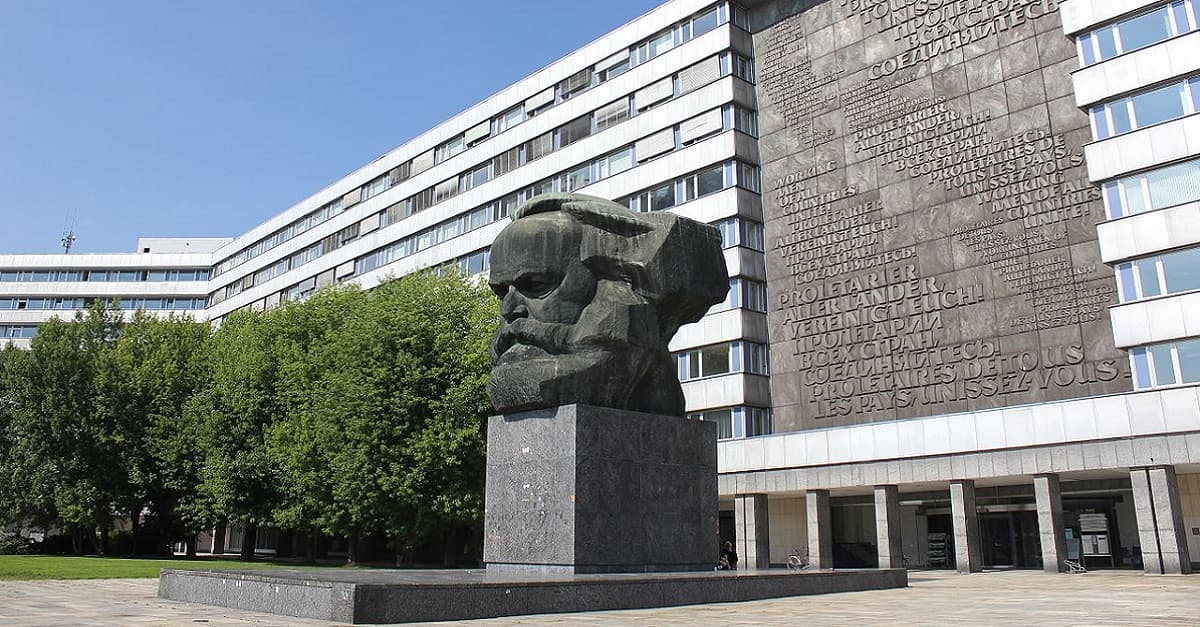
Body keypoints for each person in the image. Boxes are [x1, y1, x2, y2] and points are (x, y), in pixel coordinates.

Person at [486, 193, 727, 415]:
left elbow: (530, 383)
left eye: (536, 284)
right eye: (501, 293)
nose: (509, 310)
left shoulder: (622, 308)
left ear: (603, 276)